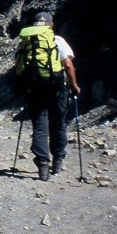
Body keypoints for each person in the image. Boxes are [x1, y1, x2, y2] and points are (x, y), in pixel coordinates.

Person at [17, 11, 81, 181]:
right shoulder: (57, 40)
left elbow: (20, 67)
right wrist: (74, 85)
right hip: (57, 87)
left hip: (35, 87)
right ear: (50, 24)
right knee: (58, 122)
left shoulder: (26, 41)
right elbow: (67, 64)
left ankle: (42, 163)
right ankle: (58, 160)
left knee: (40, 124)